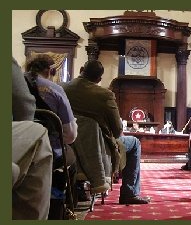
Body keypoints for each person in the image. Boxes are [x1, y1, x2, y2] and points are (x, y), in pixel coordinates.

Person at [62, 59, 150, 205]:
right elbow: (117, 131)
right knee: (134, 142)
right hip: (98, 148)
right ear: (99, 79)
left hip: (67, 146)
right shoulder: (104, 95)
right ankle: (129, 193)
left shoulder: (62, 88)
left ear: (81, 69)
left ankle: (78, 188)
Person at [12, 58, 52, 219]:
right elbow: (25, 109)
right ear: (49, 71)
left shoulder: (66, 87)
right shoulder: (56, 89)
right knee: (37, 133)